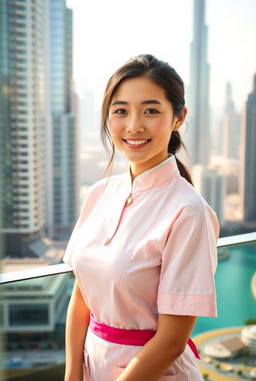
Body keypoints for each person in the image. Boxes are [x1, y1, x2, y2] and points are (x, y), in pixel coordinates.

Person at [63, 54, 220, 381]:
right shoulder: (98, 193)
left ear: (178, 118)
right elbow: (83, 296)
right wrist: (72, 374)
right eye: (120, 111)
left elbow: (171, 341)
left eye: (151, 110)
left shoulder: (189, 212)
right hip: (94, 367)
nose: (133, 125)